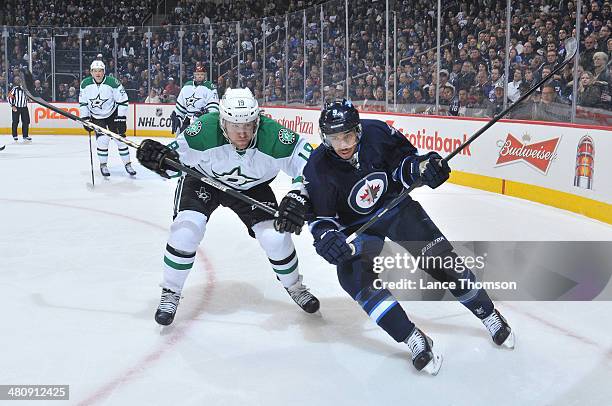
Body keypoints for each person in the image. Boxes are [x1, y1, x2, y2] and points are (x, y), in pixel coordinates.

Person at [302, 99, 515, 375]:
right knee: (354, 278)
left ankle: (489, 314)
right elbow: (321, 219)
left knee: (441, 261)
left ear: (359, 130)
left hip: (397, 208)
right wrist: (327, 238)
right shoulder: (317, 167)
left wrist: (424, 169)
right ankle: (413, 337)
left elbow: (406, 164)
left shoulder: (377, 132)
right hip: (359, 228)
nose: (342, 144)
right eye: (334, 138)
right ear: (324, 137)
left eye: (348, 135)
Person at [135, 88, 320, 326]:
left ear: (257, 120)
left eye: (248, 125)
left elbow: (310, 167)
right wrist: (157, 160)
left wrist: (297, 196)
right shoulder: (204, 130)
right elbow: (174, 163)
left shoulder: (274, 135)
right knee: (185, 231)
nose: (242, 133)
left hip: (253, 188)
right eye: (234, 126)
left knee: (275, 238)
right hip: (202, 180)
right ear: (222, 122)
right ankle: (170, 292)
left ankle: (295, 287)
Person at [79, 60, 136, 177]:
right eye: (95, 71)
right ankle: (103, 165)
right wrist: (85, 119)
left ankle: (128, 164)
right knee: (102, 141)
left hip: (113, 114)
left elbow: (123, 101)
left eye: (100, 71)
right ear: (91, 72)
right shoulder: (85, 84)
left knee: (120, 140)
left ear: (104, 72)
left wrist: (121, 117)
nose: (98, 73)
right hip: (96, 117)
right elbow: (83, 103)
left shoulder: (113, 83)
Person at [171, 65, 219, 135]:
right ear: (194, 75)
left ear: (205, 75)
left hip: (202, 120)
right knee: (180, 139)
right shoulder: (187, 86)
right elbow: (181, 105)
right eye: (198, 74)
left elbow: (214, 105)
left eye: (202, 74)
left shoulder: (210, 87)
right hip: (188, 119)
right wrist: (178, 117)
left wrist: (206, 113)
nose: (200, 76)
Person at [8, 76, 31, 142]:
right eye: (16, 80)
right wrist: (12, 105)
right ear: (14, 81)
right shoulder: (14, 89)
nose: (18, 81)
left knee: (26, 122)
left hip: (24, 107)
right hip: (16, 107)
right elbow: (9, 97)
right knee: (15, 122)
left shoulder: (25, 89)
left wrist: (29, 98)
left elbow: (29, 96)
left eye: (19, 79)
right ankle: (15, 135)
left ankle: (25, 136)